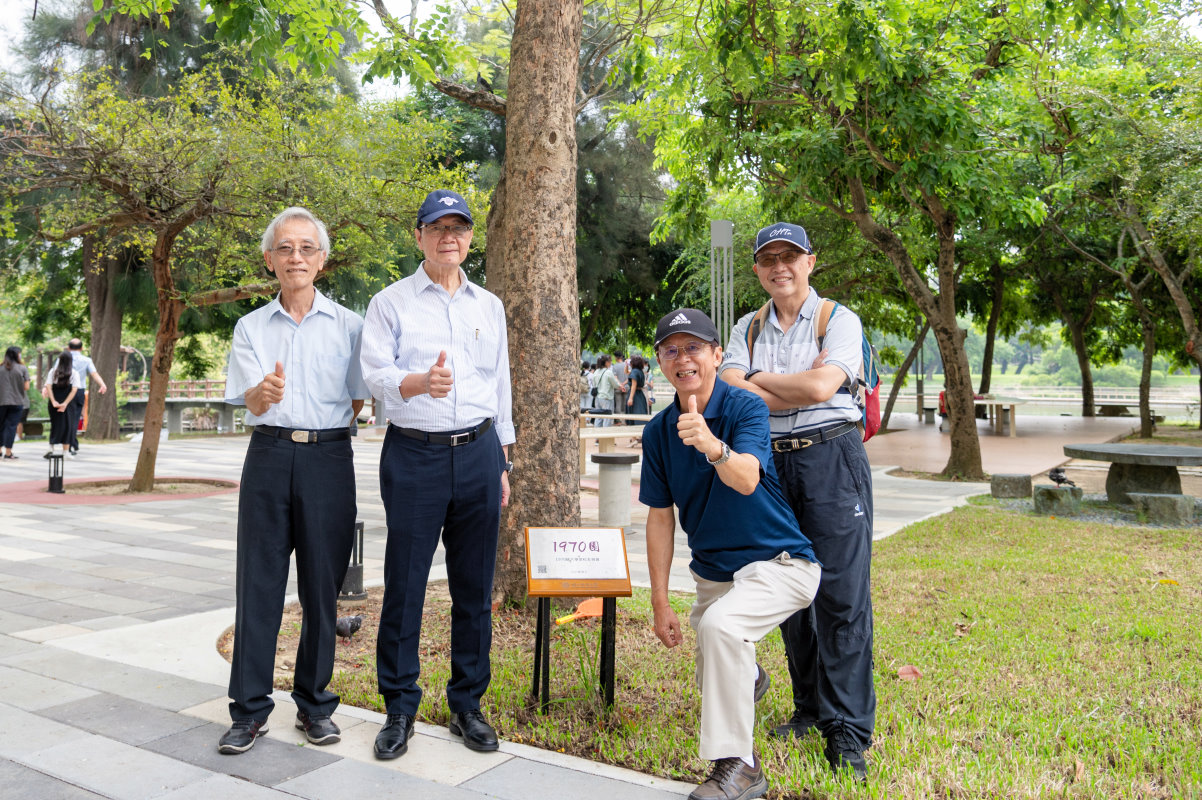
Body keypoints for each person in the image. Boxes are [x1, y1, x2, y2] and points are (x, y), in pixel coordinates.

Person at [640, 308, 821, 800]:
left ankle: (740, 769)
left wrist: (712, 446)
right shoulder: (658, 432)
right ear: (660, 362)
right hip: (716, 575)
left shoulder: (744, 408)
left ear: (717, 356)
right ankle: (751, 676)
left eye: (694, 347)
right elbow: (660, 517)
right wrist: (659, 600)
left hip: (782, 564)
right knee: (716, 661)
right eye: (671, 350)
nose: (684, 359)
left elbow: (745, 478)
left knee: (721, 631)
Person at [360, 188, 514, 760]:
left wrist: (504, 457)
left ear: (470, 237)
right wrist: (419, 382)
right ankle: (400, 706)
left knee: (473, 586)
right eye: (438, 227)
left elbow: (500, 384)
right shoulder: (390, 303)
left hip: (478, 452)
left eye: (460, 227)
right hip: (415, 454)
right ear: (418, 235)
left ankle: (466, 704)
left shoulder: (488, 306)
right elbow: (375, 374)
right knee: (405, 585)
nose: (450, 237)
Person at [720, 222, 875, 781]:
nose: (778, 267)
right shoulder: (748, 325)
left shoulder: (839, 319)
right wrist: (792, 380)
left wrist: (761, 380)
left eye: (789, 257)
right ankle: (808, 709)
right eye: (768, 259)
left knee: (841, 596)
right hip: (772, 461)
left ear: (811, 261)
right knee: (785, 589)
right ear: (758, 269)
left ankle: (848, 731)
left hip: (832, 458)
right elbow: (729, 383)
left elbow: (820, 390)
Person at [218, 207, 370, 755]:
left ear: (322, 259)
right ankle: (249, 710)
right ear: (270, 259)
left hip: (329, 459)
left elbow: (357, 398)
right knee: (257, 584)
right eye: (285, 248)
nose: (296, 257)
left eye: (307, 248)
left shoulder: (352, 325)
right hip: (269, 456)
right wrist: (266, 395)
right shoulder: (250, 327)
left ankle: (314, 704)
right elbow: (249, 399)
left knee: (322, 589)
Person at [66, 338, 108, 455]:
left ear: (69, 348)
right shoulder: (86, 360)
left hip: (65, 391)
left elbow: (54, 371)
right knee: (74, 418)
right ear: (81, 348)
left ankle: (70, 444)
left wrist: (46, 388)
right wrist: (102, 384)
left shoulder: (63, 359)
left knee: (66, 417)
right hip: (79, 390)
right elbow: (94, 373)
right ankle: (71, 443)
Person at [42, 351, 81, 458]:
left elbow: (49, 387)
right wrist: (65, 404)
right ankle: (66, 452)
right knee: (68, 426)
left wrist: (53, 401)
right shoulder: (74, 373)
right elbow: (74, 390)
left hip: (55, 401)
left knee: (55, 425)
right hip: (69, 402)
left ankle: (51, 447)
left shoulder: (53, 372)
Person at [1, 346, 31, 459]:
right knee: (11, 426)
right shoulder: (22, 368)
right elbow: (26, 387)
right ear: (17, 355)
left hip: (1, 401)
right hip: (17, 401)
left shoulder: (0, 367)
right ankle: (8, 452)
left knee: (1, 425)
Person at [592, 354, 621, 426]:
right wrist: (620, 386)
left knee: (598, 418)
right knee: (607, 418)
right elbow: (615, 385)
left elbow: (594, 384)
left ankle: (597, 436)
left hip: (597, 398)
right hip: (607, 398)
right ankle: (605, 436)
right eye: (610, 361)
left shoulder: (596, 371)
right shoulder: (608, 372)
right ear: (606, 362)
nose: (611, 362)